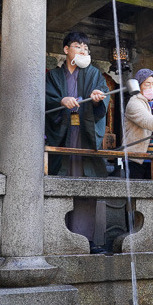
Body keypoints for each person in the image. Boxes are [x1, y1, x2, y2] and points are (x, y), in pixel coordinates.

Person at [45, 32, 108, 253]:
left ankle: (86, 240)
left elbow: (104, 99)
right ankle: (56, 237)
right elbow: (43, 97)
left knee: (85, 185)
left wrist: (99, 98)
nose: (82, 51)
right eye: (78, 47)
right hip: (61, 133)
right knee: (59, 183)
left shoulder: (94, 74)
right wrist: (61, 100)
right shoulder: (53, 75)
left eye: (85, 49)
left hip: (84, 134)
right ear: (66, 50)